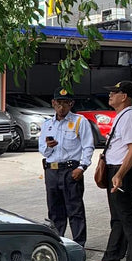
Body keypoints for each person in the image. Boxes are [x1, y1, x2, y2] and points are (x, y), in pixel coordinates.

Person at [88, 80, 132, 261]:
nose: (110, 95)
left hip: (123, 172)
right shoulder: (122, 116)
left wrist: (120, 174)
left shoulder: (130, 117)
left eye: (115, 92)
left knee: (129, 220)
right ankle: (112, 257)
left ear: (125, 96)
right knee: (117, 219)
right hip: (115, 170)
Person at [39, 87, 94, 247]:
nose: (61, 107)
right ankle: (57, 243)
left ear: (71, 104)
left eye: (65, 103)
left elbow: (88, 146)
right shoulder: (47, 124)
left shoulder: (79, 121)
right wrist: (49, 146)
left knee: (75, 209)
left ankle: (78, 244)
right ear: (53, 103)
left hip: (71, 170)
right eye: (58, 103)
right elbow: (42, 150)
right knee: (55, 209)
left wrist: (82, 167)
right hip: (51, 170)